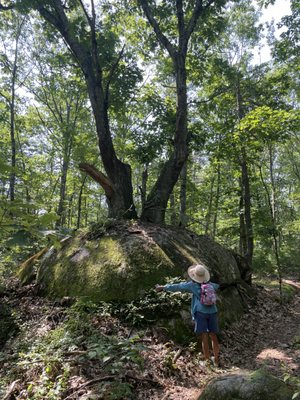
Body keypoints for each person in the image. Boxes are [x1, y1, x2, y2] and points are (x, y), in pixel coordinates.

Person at [155, 263, 220, 368]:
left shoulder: (192, 285)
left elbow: (178, 286)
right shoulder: (211, 285)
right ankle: (216, 361)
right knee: (213, 336)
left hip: (200, 312)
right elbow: (218, 286)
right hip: (212, 311)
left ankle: (208, 363)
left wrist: (163, 287)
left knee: (204, 337)